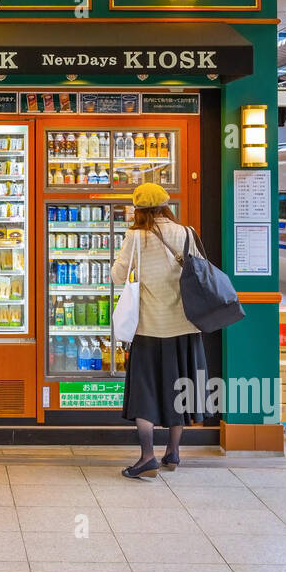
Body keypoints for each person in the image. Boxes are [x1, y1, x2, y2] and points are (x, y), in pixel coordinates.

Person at [110, 182, 209, 479]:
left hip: (150, 329)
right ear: (166, 205)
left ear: (138, 210)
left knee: (145, 393)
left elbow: (117, 276)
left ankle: (147, 457)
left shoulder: (135, 237)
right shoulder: (187, 233)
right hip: (184, 327)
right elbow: (202, 271)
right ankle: (174, 453)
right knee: (179, 389)